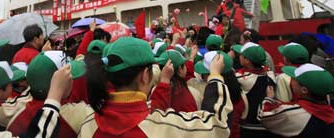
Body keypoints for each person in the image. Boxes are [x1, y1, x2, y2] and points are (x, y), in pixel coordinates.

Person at [52, 37, 233, 137]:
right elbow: (218, 125)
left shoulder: (88, 125)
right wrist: (216, 75)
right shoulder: (165, 125)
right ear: (146, 75)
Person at [7, 50, 86, 137]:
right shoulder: (83, 114)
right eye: (69, 77)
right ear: (61, 83)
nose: (72, 80)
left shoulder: (15, 119)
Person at [258, 64, 334, 136]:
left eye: (294, 79)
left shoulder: (291, 114)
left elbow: (262, 117)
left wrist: (269, 98)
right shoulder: (329, 110)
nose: (291, 80)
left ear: (304, 90)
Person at [231, 42, 276, 137]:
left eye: (241, 55)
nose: (239, 56)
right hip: (268, 126)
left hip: (249, 127)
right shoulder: (270, 74)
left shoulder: (242, 79)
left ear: (247, 61)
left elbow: (229, 79)